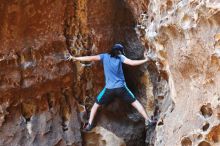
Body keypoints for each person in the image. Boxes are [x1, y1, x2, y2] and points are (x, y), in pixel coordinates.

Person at [68, 44, 156, 131]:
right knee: (136, 103)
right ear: (120, 51)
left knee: (95, 106)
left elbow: (89, 58)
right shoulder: (120, 57)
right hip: (121, 88)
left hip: (109, 89)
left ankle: (89, 125)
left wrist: (75, 58)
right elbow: (132, 63)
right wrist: (146, 60)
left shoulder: (104, 56)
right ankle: (148, 120)